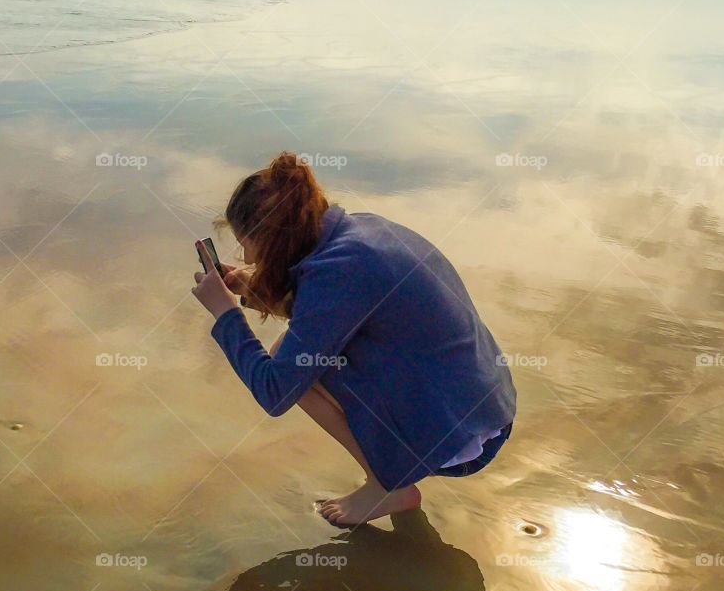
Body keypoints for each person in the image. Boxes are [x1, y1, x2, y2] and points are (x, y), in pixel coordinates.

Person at [191, 152, 516, 527]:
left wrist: (225, 314)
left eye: (245, 242)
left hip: (463, 441)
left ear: (272, 238)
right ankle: (389, 478)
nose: (245, 255)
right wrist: (256, 290)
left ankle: (388, 486)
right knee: (302, 353)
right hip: (484, 410)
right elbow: (335, 314)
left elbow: (275, 392)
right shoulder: (360, 233)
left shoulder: (336, 273)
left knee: (293, 367)